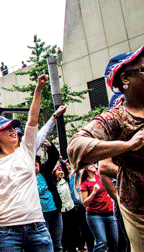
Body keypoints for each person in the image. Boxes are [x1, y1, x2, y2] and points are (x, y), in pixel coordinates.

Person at [68, 46, 144, 251]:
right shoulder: (116, 118)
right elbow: (77, 146)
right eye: (143, 69)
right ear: (125, 79)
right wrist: (128, 145)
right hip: (139, 207)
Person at [0, 74, 54, 252]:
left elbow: (33, 119)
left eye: (12, 127)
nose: (12, 130)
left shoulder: (26, 149)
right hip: (6, 233)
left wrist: (38, 90)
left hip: (37, 229)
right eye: (6, 129)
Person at [79, 164, 119, 252]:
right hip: (95, 216)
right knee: (101, 242)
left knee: (114, 241)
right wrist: (94, 192)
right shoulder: (85, 184)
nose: (93, 165)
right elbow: (85, 203)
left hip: (109, 214)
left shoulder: (100, 177)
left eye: (94, 164)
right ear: (86, 168)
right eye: (91, 164)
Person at [35, 140, 64, 252]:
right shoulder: (26, 178)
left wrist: (50, 146)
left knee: (57, 243)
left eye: (36, 164)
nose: (35, 166)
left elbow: (54, 157)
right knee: (46, 242)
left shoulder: (45, 171)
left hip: (55, 211)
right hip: (41, 214)